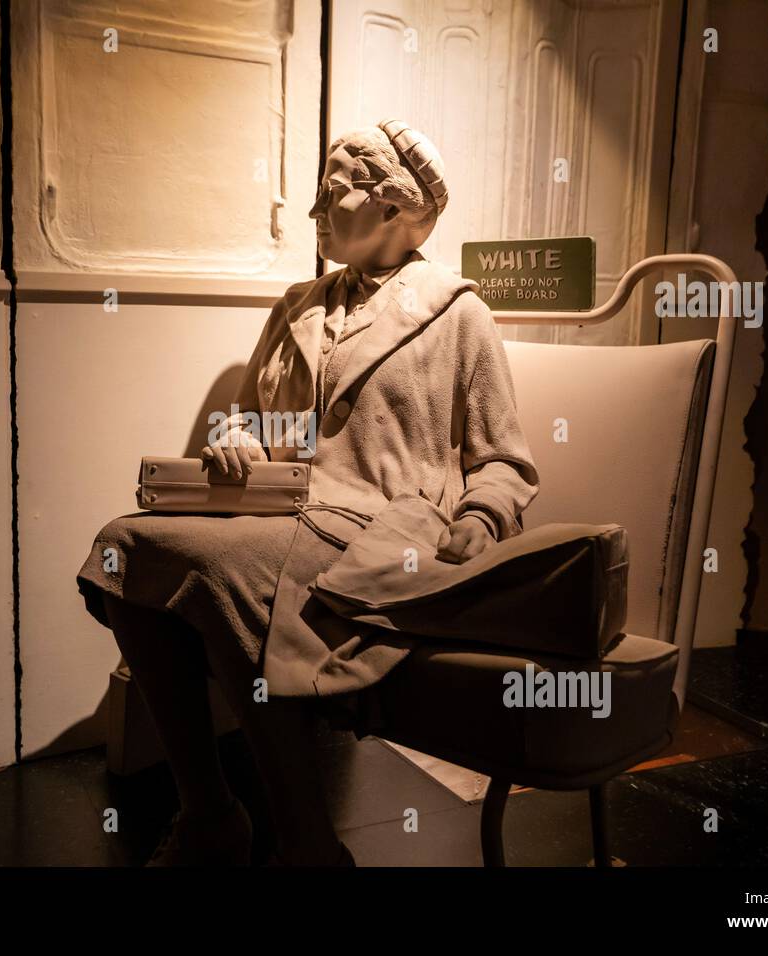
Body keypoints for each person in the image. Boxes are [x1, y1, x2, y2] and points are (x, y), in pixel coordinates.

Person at [76, 120, 539, 866]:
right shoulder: (295, 308)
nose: (317, 213)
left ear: (394, 207)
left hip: (384, 527)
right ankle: (210, 812)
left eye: (335, 194)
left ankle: (307, 842)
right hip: (282, 511)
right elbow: (261, 422)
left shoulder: (459, 314)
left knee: (221, 570)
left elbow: (505, 461)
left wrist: (482, 516)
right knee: (124, 546)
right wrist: (240, 439)